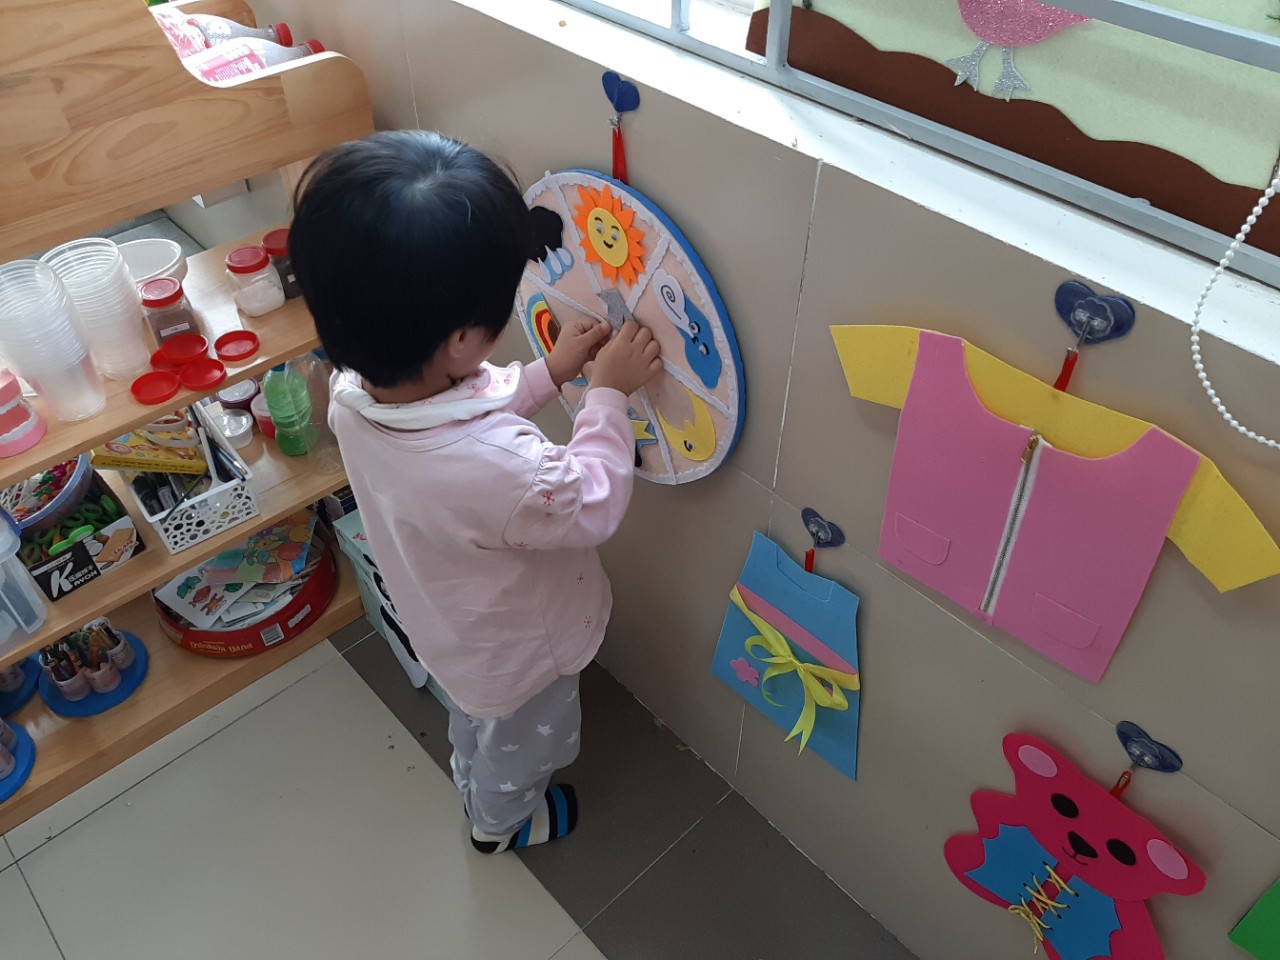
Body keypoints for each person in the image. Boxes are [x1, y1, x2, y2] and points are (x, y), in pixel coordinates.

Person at [289, 130, 662, 853]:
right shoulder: (502, 470)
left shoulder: (353, 394)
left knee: (478, 719)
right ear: (462, 341)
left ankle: (473, 773)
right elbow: (590, 498)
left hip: (452, 629)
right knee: (519, 749)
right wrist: (608, 394)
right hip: (518, 655)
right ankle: (496, 824)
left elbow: (462, 413)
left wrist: (549, 373)